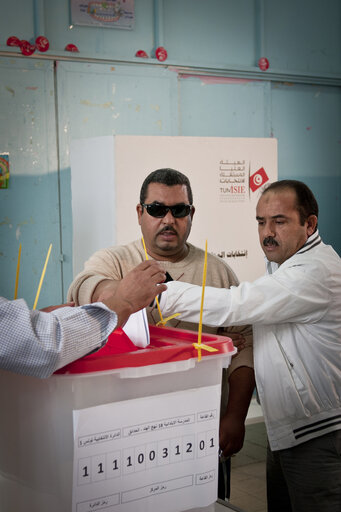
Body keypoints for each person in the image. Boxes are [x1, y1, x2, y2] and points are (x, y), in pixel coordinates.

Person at [68, 168, 254, 500]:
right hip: (127, 434)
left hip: (202, 429)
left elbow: (245, 347)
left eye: (179, 210)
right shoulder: (116, 260)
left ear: (191, 214)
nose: (168, 219)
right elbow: (84, 287)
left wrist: (236, 417)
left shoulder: (219, 271)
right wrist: (124, 293)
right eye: (156, 209)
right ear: (140, 213)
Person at [157, 179, 341, 512]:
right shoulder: (283, 267)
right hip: (288, 429)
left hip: (318, 433)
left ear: (310, 224)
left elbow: (237, 304)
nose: (267, 232)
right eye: (261, 222)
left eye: (279, 221)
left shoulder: (314, 271)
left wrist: (161, 291)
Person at [1, 261, 166, 378]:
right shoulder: (112, 259)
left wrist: (36, 321)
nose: (168, 220)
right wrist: (121, 303)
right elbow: (43, 345)